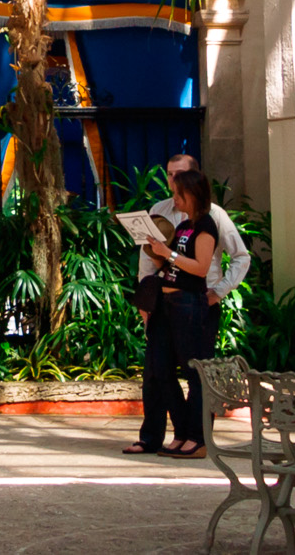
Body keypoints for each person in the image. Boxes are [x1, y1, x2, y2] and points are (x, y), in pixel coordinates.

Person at [126, 166, 219, 458]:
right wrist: (156, 251)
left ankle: (197, 438)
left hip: (189, 303)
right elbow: (169, 265)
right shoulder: (182, 227)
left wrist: (169, 254)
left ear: (193, 194)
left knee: (193, 372)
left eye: (179, 195)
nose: (174, 200)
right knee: (160, 369)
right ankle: (181, 432)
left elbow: (201, 268)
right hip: (166, 303)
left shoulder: (206, 226)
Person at [135, 152, 249, 307]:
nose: (173, 179)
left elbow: (241, 256)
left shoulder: (213, 215)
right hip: (168, 297)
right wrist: (146, 297)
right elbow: (148, 257)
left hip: (201, 297)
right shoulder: (159, 210)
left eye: (180, 174)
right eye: (170, 174)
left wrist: (218, 292)